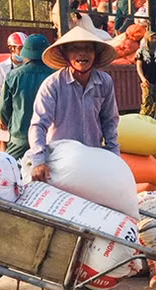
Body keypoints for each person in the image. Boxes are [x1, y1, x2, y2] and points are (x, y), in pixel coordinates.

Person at [28, 25, 119, 183]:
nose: (82, 53)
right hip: (61, 161)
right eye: (74, 48)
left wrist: (114, 157)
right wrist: (39, 161)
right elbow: (38, 125)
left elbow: (109, 121)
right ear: (65, 55)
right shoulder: (53, 85)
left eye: (87, 48)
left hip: (92, 158)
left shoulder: (104, 82)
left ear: (95, 55)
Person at [0, 34, 55, 160]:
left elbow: (3, 109)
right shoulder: (56, 75)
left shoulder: (13, 76)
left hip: (20, 137)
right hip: (48, 137)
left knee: (9, 168)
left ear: (25, 53)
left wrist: (13, 126)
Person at [0, 32, 27, 150]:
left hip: (20, 110)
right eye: (20, 48)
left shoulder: (28, 66)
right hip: (3, 110)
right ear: (11, 48)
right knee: (3, 144)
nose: (23, 51)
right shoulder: (1, 68)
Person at [135, 31, 156, 118]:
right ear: (147, 39)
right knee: (146, 102)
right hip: (146, 81)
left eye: (155, 38)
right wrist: (143, 79)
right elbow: (139, 67)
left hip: (155, 80)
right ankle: (142, 121)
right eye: (152, 38)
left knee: (154, 103)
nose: (154, 40)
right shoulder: (140, 52)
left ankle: (150, 121)